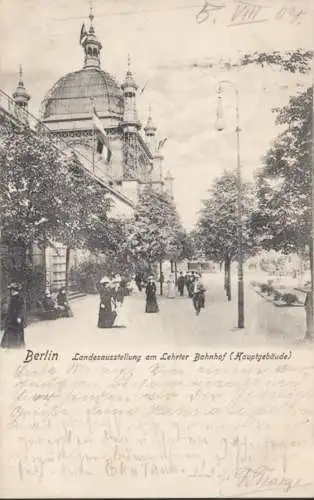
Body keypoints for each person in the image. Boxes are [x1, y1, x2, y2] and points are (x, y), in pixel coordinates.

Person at [1, 282, 25, 349]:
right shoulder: (11, 297)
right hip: (10, 318)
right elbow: (9, 308)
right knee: (9, 331)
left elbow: (22, 308)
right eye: (10, 290)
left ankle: (17, 346)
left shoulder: (20, 297)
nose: (11, 291)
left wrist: (19, 317)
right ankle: (9, 346)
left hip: (16, 318)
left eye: (12, 290)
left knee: (17, 332)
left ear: (14, 290)